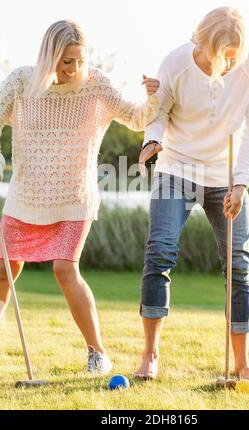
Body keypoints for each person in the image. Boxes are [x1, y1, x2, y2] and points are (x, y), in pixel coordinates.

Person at [0, 20, 160, 374]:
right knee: (3, 269)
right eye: (65, 62)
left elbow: (135, 117)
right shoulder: (22, 83)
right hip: (25, 195)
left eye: (79, 61)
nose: (74, 70)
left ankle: (97, 353)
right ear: (49, 57)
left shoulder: (95, 84)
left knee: (64, 269)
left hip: (74, 197)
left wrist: (154, 96)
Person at [136, 7, 249, 381]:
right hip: (176, 167)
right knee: (160, 250)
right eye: (220, 55)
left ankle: (242, 365)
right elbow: (157, 112)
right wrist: (153, 141)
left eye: (233, 57)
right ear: (202, 43)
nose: (226, 65)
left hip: (225, 172)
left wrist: (240, 183)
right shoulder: (176, 63)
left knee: (239, 264)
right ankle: (150, 357)